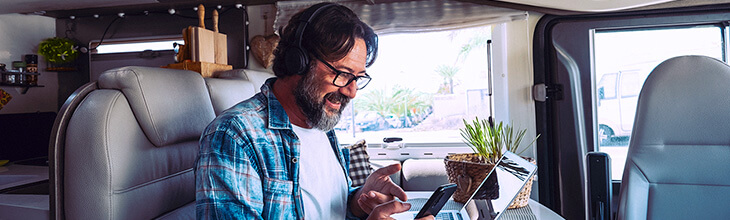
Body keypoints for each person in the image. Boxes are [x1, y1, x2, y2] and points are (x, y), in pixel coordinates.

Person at [195, 3, 433, 220]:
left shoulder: (320, 124)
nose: (352, 92)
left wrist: (359, 202)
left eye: (358, 78)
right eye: (342, 75)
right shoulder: (234, 137)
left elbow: (327, 210)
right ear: (298, 61)